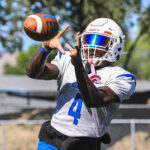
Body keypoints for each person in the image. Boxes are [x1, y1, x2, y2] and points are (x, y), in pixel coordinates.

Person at [27, 17, 136, 150]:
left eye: (99, 41)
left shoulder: (122, 77)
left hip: (84, 143)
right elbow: (34, 73)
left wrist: (78, 67)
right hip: (53, 138)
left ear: (115, 45)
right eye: (89, 39)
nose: (92, 46)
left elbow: (94, 100)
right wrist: (45, 48)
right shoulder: (67, 58)